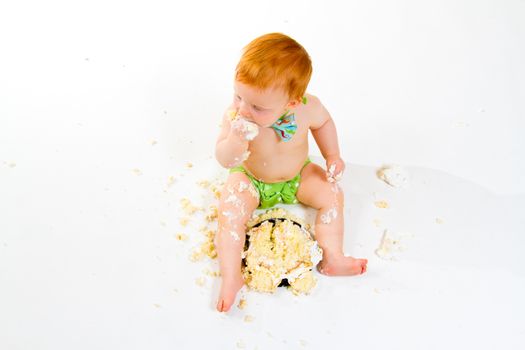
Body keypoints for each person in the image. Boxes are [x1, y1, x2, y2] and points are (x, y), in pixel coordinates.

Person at [215, 33, 368, 312]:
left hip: (298, 174)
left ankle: (333, 256)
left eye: (257, 106)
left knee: (332, 194)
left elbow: (324, 124)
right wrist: (236, 140)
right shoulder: (235, 116)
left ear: (292, 103)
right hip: (251, 178)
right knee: (230, 211)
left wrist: (332, 155)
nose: (243, 109)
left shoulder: (308, 108)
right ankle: (231, 275)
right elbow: (224, 159)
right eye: (238, 96)